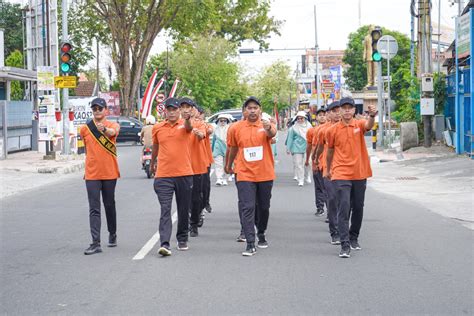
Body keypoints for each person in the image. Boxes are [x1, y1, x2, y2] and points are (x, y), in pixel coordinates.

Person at [325, 97, 376, 258]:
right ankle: (344, 244)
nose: (347, 110)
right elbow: (330, 151)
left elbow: (369, 125)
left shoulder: (359, 124)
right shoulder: (331, 130)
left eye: (350, 108)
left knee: (358, 206)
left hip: (359, 172)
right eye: (344, 108)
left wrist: (372, 116)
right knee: (344, 206)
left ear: (354, 110)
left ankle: (354, 237)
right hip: (341, 172)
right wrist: (328, 168)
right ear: (339, 110)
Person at [226, 96, 277, 256]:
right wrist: (228, 165)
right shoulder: (235, 128)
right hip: (244, 173)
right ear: (244, 111)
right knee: (247, 206)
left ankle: (261, 231)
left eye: (255, 108)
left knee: (263, 207)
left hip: (264, 173)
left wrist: (268, 127)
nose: (252, 110)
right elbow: (233, 148)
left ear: (260, 110)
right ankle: (250, 242)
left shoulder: (266, 125)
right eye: (249, 108)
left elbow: (271, 133)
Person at [150, 97, 194, 256]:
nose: (172, 112)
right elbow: (155, 146)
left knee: (183, 209)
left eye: (175, 109)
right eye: (169, 109)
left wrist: (188, 119)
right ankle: (165, 243)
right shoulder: (157, 128)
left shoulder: (185, 124)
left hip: (184, 174)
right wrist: (152, 162)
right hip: (163, 176)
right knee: (165, 209)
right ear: (165, 111)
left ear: (179, 111)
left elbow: (189, 128)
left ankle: (182, 238)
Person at [80, 97, 120, 255]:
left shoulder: (113, 125)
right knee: (94, 208)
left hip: (109, 172)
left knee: (109, 205)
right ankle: (95, 242)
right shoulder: (85, 129)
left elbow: (113, 133)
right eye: (95, 109)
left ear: (106, 110)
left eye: (100, 108)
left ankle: (112, 233)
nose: (97, 111)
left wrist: (104, 130)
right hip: (91, 174)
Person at [314, 102, 342, 245]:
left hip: (346, 170)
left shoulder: (350, 127)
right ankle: (335, 231)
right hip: (329, 169)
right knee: (332, 199)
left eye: (339, 111)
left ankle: (344, 228)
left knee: (344, 201)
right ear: (328, 113)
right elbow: (319, 148)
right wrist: (315, 160)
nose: (337, 113)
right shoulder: (323, 130)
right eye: (334, 111)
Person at [181, 100, 208, 237]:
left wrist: (199, 134)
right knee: (184, 198)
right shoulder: (175, 125)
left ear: (193, 109)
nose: (185, 110)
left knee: (196, 198)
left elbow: (203, 134)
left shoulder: (200, 123)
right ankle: (187, 224)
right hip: (181, 168)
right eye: (183, 107)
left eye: (188, 107)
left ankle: (194, 222)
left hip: (197, 166)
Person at [306, 108, 327, 216]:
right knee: (319, 186)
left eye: (324, 114)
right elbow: (310, 146)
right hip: (317, 161)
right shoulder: (311, 131)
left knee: (328, 188)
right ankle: (320, 207)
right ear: (316, 117)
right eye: (320, 115)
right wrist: (308, 159)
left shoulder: (331, 129)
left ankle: (331, 212)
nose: (322, 117)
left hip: (328, 163)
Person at [286, 111, 312, 186]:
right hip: (296, 147)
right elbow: (290, 138)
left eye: (301, 118)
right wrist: (288, 148)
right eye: (298, 118)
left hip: (307, 147)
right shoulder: (293, 128)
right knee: (298, 164)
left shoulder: (309, 127)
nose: (300, 120)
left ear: (305, 118)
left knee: (308, 162)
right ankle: (301, 179)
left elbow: (313, 137)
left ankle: (307, 176)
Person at [212, 114, 231, 186]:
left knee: (226, 164)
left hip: (227, 148)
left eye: (224, 120)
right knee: (218, 164)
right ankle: (219, 178)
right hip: (218, 149)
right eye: (221, 120)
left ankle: (225, 178)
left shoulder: (229, 129)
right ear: (218, 121)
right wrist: (212, 150)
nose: (223, 122)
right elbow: (213, 141)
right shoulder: (215, 129)